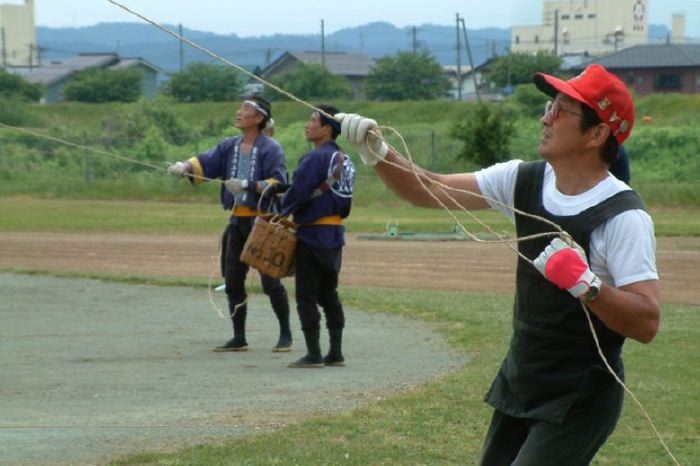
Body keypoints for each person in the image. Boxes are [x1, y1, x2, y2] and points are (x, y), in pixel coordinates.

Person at [338, 64, 659, 464]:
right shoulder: (522, 179)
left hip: (580, 395)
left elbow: (646, 322)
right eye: (549, 105)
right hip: (522, 377)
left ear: (597, 134)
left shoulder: (624, 216)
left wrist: (587, 284)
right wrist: (379, 153)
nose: (546, 117)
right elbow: (431, 189)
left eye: (561, 110)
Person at [168, 96, 293, 353]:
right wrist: (185, 167)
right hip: (236, 221)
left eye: (245, 109)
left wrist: (248, 185)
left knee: (270, 282)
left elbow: (278, 183)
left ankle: (286, 334)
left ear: (259, 118)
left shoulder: (272, 148)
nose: (239, 112)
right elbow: (206, 163)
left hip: (263, 223)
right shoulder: (228, 145)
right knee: (233, 280)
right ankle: (239, 337)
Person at [277, 105, 355, 368]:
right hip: (334, 235)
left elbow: (299, 192)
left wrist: (280, 210)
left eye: (312, 120)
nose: (307, 125)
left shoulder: (314, 158)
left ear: (326, 129)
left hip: (312, 234)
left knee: (306, 295)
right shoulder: (344, 159)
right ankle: (336, 352)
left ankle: (313, 354)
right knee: (329, 294)